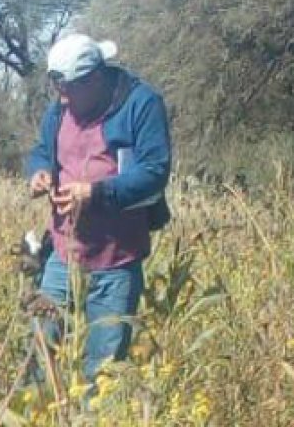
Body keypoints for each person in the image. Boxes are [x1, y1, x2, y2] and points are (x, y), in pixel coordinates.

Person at [26, 34, 172, 382]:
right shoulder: (59, 111)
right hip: (62, 256)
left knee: (102, 373)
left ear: (94, 79)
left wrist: (95, 192)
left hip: (115, 263)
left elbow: (155, 171)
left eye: (69, 90)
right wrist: (39, 173)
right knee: (39, 357)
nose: (62, 98)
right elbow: (42, 151)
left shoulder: (142, 103)